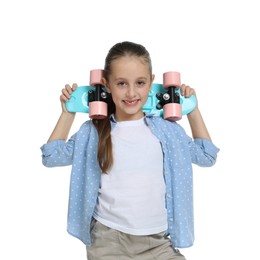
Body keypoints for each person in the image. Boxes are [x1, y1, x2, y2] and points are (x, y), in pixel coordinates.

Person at [41, 41, 219, 260]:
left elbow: (207, 156)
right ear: (106, 84)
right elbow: (51, 156)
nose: (132, 93)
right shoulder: (94, 132)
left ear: (152, 82)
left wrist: (192, 108)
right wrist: (68, 112)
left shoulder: (169, 131)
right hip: (108, 241)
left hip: (158, 242)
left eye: (140, 83)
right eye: (122, 83)